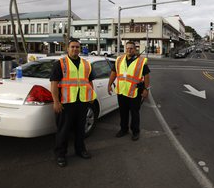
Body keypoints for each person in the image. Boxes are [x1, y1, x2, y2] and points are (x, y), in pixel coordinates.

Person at [50, 38, 97, 167]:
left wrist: (91, 96)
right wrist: (56, 102)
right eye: (72, 47)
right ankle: (60, 155)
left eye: (77, 47)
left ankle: (80, 150)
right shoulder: (60, 63)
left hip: (82, 102)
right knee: (63, 130)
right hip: (66, 102)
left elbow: (89, 81)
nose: (75, 49)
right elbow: (54, 83)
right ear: (68, 48)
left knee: (80, 129)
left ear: (80, 49)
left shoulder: (86, 64)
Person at [108, 41, 150, 141]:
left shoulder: (141, 61)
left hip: (134, 92)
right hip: (122, 91)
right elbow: (114, 73)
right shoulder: (119, 59)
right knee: (123, 113)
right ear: (125, 49)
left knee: (135, 113)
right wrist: (109, 84)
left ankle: (135, 132)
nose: (129, 50)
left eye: (131, 48)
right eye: (127, 48)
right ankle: (124, 129)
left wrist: (146, 89)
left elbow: (147, 76)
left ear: (135, 50)